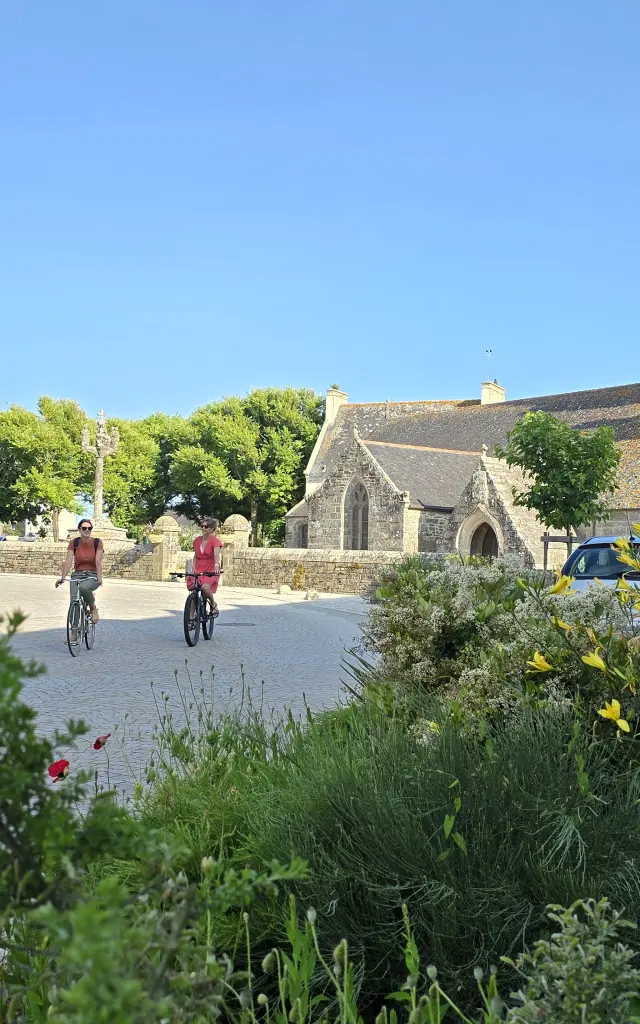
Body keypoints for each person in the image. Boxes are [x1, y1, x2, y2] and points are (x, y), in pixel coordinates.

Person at [56, 519, 103, 637]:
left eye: (89, 528)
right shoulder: (74, 543)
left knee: (84, 587)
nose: (87, 530)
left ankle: (92, 609)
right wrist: (63, 577)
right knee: (74, 601)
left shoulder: (97, 542)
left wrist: (99, 576)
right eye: (84, 528)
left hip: (92, 575)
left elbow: (98, 561)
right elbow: (68, 561)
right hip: (77, 575)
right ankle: (74, 632)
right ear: (79, 530)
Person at [189, 516, 222, 616]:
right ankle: (190, 619)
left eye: (206, 526)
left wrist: (216, 565)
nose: (203, 528)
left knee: (205, 587)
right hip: (198, 569)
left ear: (212, 529)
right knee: (194, 591)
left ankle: (213, 604)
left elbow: (216, 555)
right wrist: (193, 568)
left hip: (210, 570)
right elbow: (195, 556)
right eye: (202, 526)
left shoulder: (215, 541)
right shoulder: (197, 540)